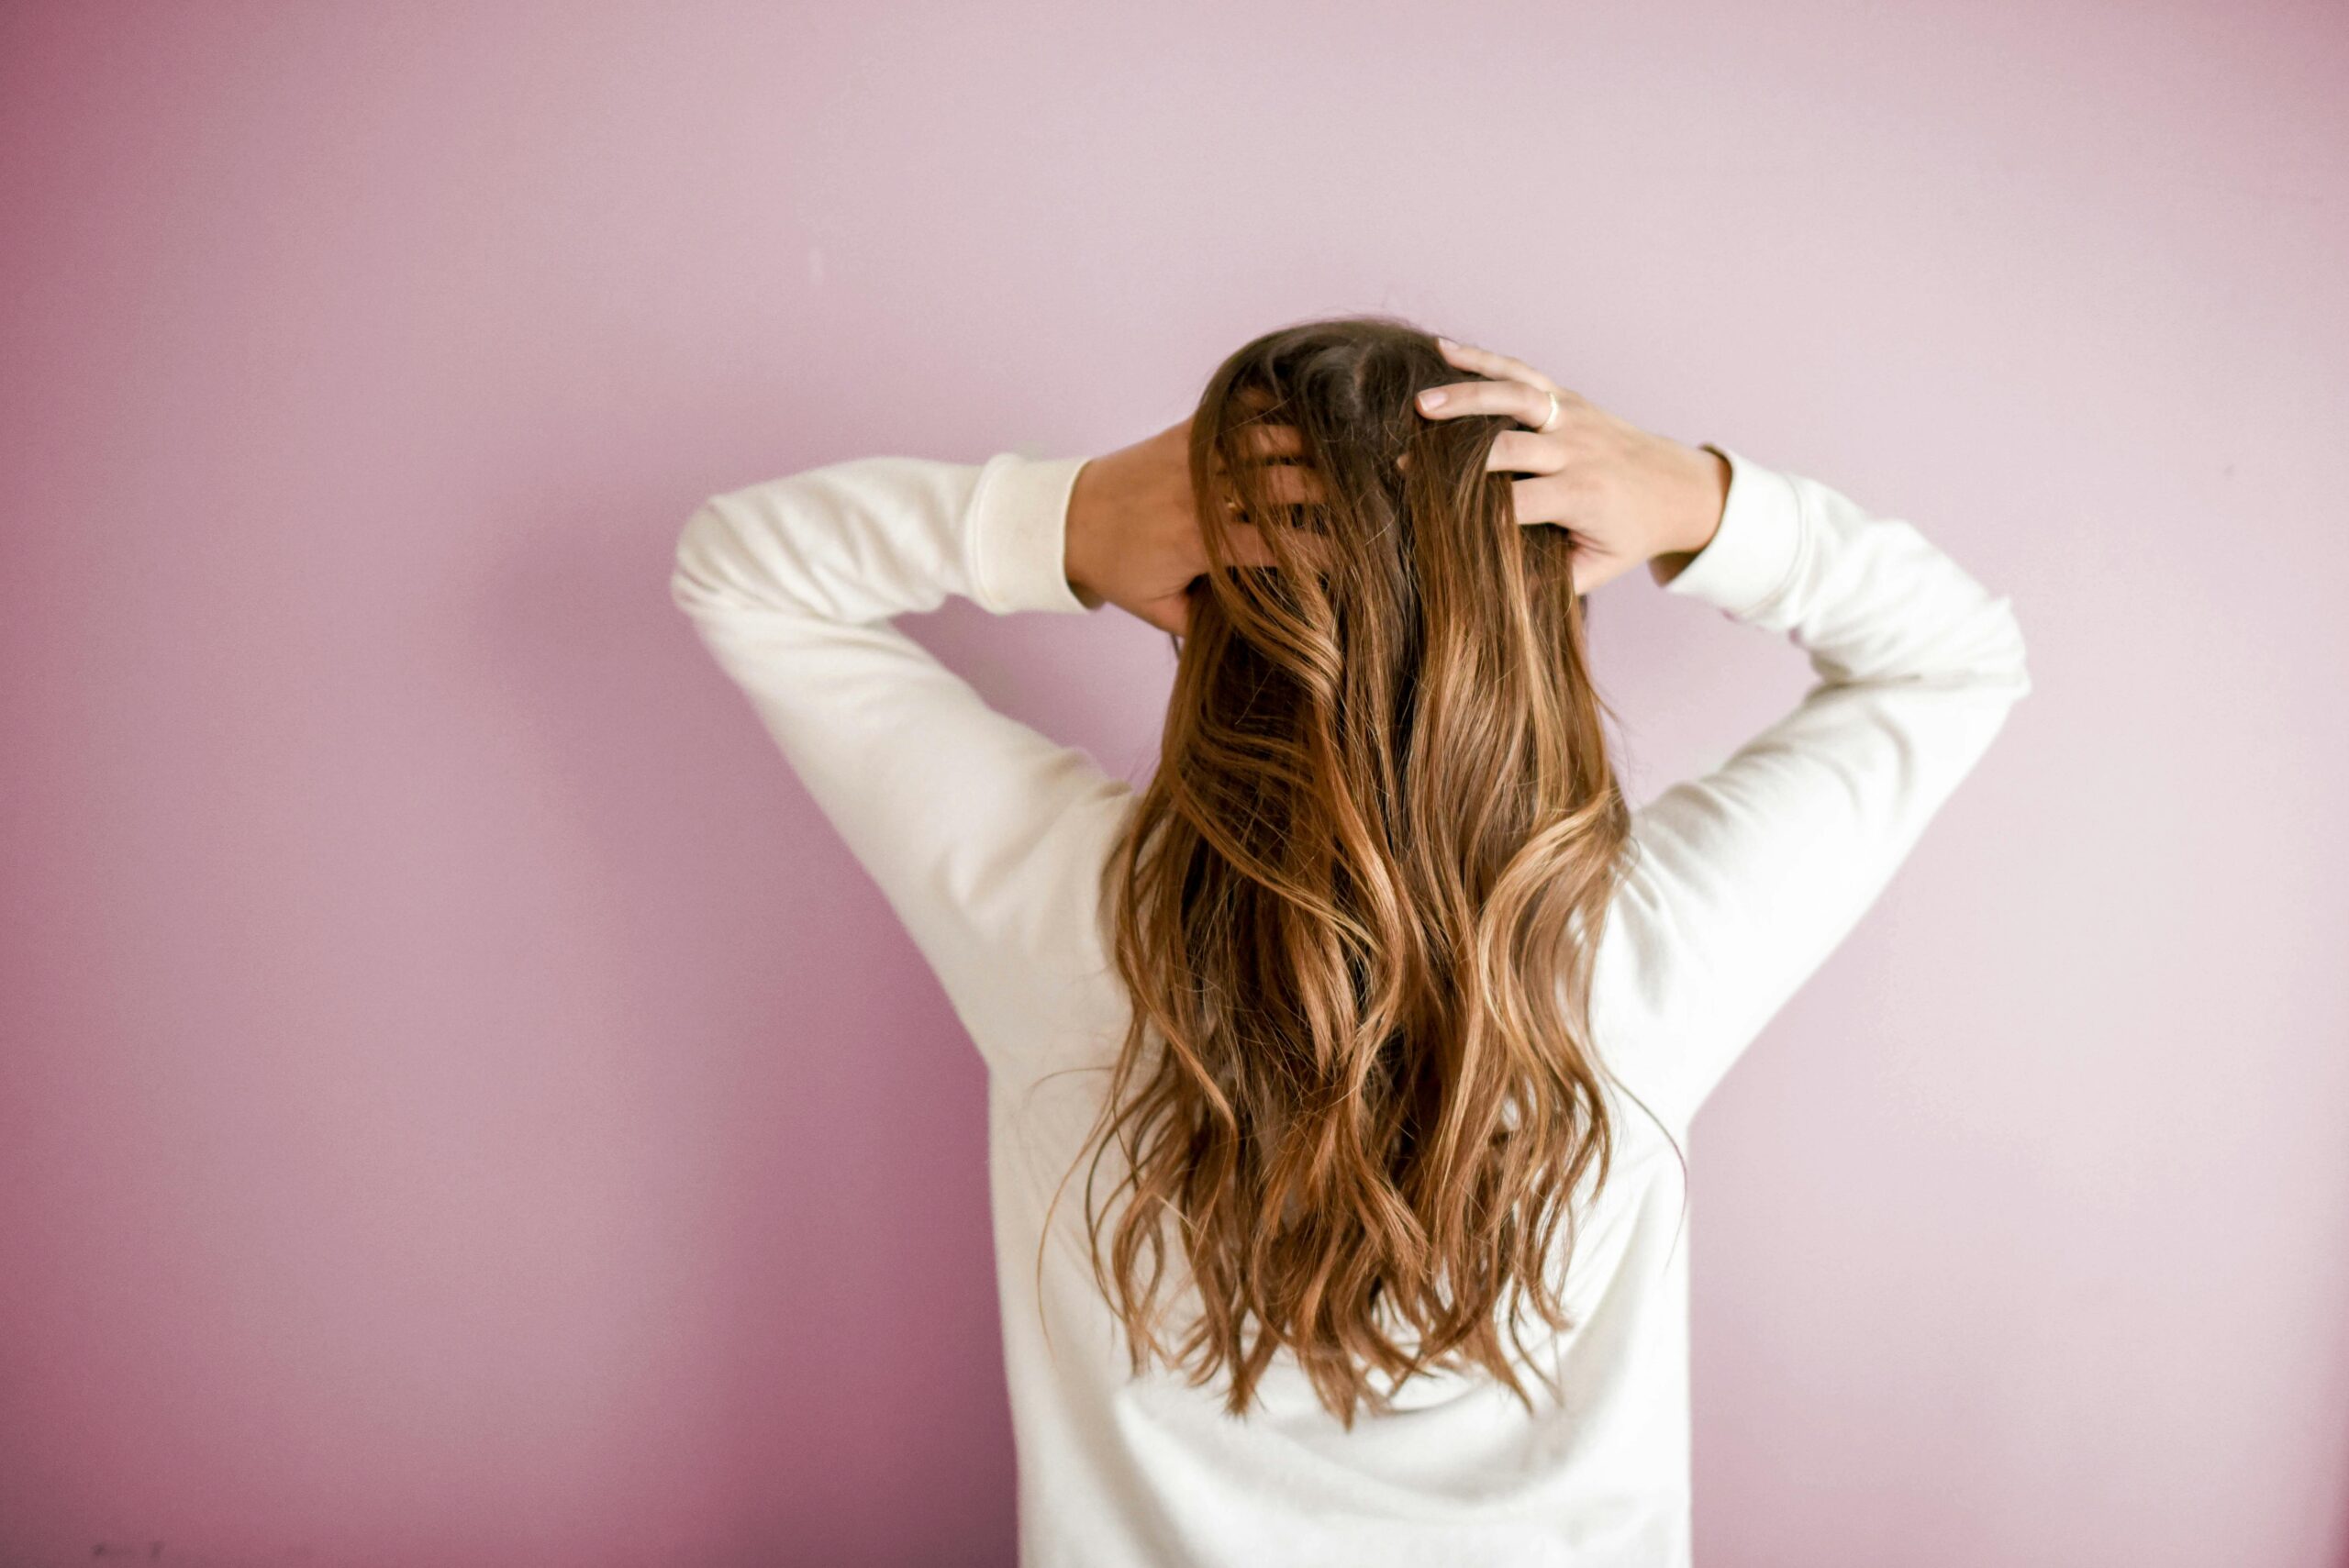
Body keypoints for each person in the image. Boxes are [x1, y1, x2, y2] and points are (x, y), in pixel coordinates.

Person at [669, 316, 2032, 1567]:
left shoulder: (1072, 924)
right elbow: (1958, 656)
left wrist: (1069, 519)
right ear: (1543, 623)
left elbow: (741, 570)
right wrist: (1696, 502)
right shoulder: (1636, 960)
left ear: (1204, 608)